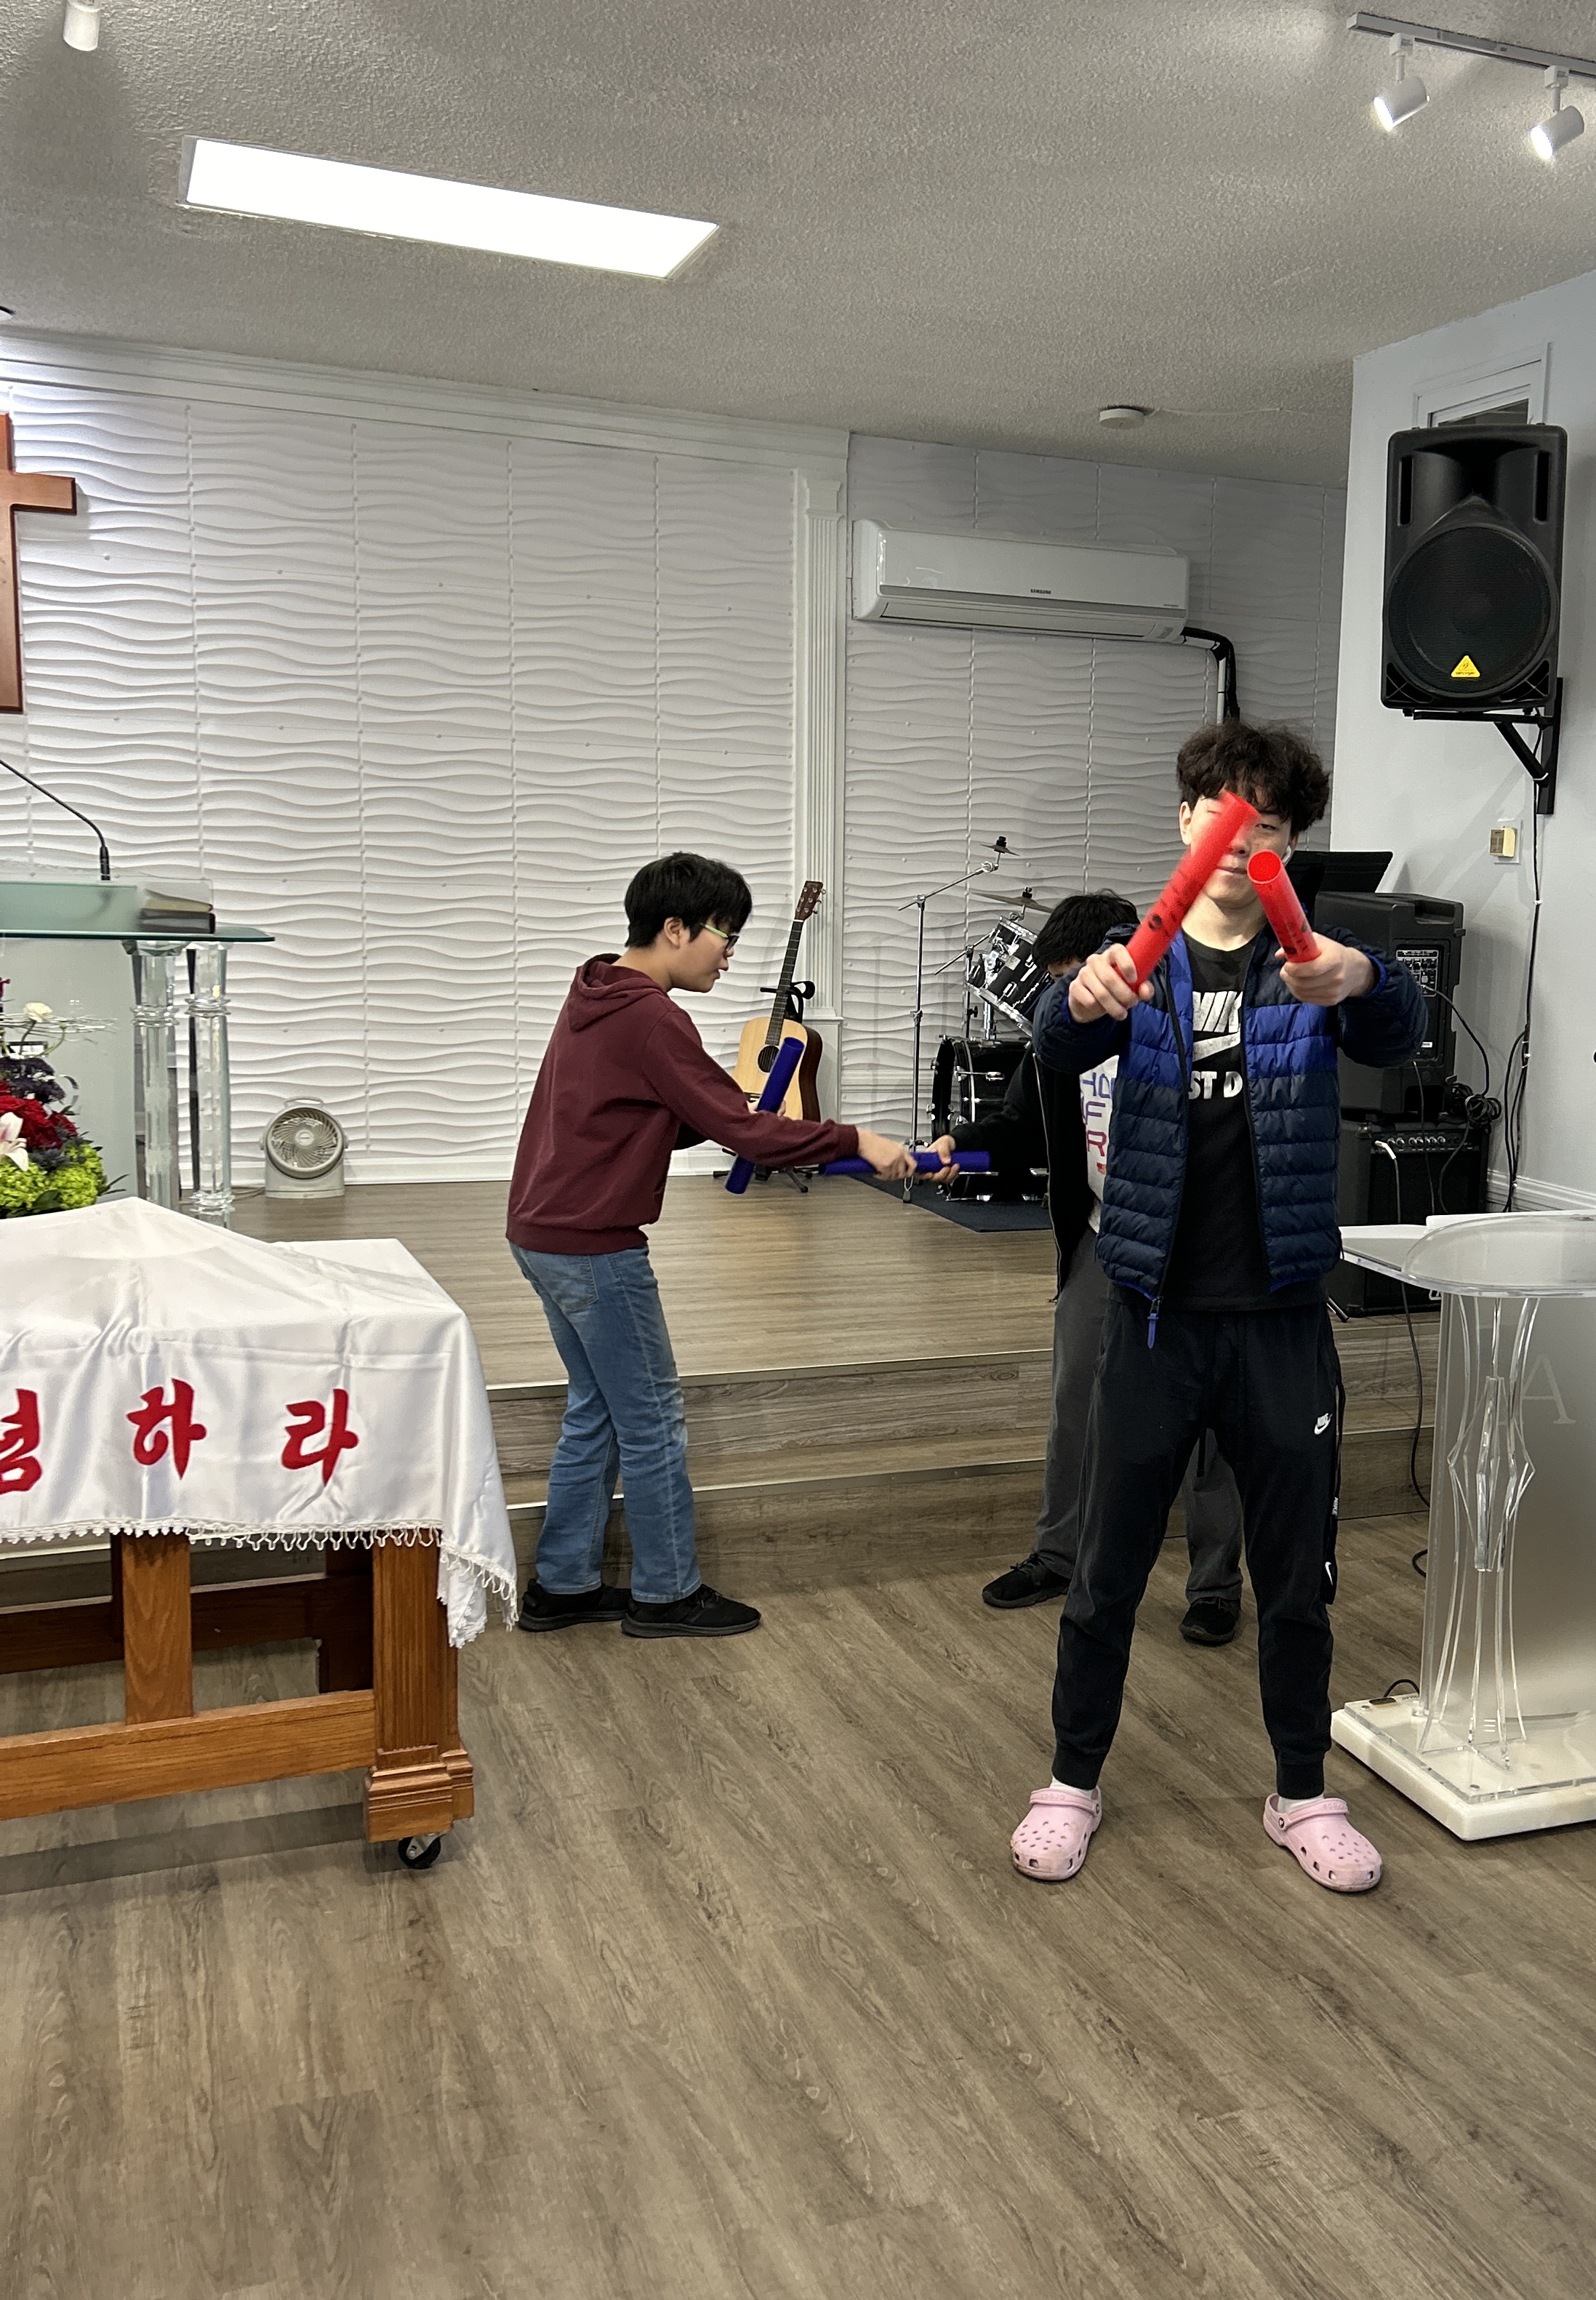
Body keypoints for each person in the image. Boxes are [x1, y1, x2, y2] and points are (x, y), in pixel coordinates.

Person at [1005, 723, 1426, 1895]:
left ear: (1290, 841)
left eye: (1269, 822)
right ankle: (1071, 1783)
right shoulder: (1131, 961)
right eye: (1222, 812)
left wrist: (1365, 979)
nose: (1243, 839)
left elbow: (1399, 1027)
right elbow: (1053, 1045)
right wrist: (1081, 995)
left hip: (1281, 1319)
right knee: (1107, 1569)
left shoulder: (1314, 964)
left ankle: (1302, 1793)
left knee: (1296, 1581)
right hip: (1153, 1317)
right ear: (1186, 819)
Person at [508, 851, 914, 1640]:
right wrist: (856, 1139)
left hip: (542, 1233)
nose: (729, 955)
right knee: (652, 1417)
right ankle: (666, 1594)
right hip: (593, 1246)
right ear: (675, 929)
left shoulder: (596, 988)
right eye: (724, 936)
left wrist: (719, 1110)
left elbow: (647, 1114)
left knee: (597, 1409)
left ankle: (563, 1585)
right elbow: (741, 1132)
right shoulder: (652, 1016)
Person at [939, 891, 1245, 1646]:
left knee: (1209, 1427)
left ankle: (1215, 1586)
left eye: (1071, 978)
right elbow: (1020, 1128)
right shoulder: (1059, 1035)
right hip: (1103, 1239)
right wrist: (959, 1147)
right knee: (1075, 1402)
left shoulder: (1180, 1019)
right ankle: (1058, 1555)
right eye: (1058, 985)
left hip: (1195, 1254)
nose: (1068, 997)